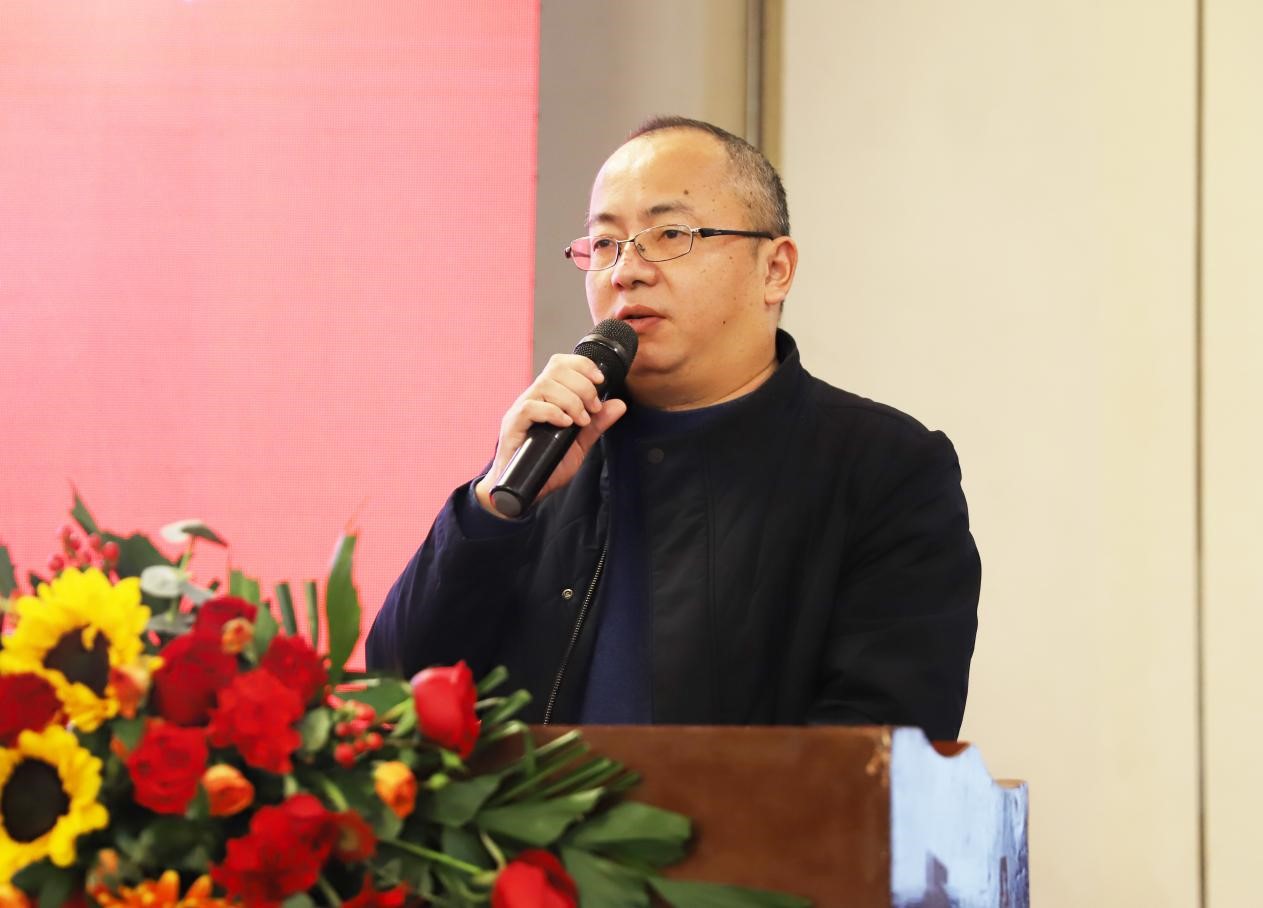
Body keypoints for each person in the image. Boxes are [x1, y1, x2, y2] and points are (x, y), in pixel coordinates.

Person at [366, 116, 980, 740]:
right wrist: (491, 510)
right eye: (605, 244)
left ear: (775, 269)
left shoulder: (886, 470)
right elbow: (396, 689)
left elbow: (877, 747)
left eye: (670, 234)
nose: (625, 271)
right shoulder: (551, 455)